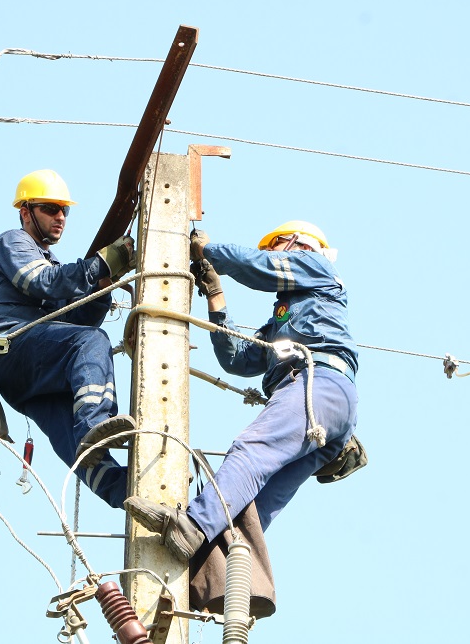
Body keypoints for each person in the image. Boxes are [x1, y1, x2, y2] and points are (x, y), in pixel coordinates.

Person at [125, 221, 360, 559]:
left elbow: (256, 265)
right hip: (328, 402)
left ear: (298, 244)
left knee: (251, 450)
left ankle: (192, 526)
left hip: (318, 384)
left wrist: (207, 251)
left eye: (273, 247)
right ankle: (212, 575)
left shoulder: (318, 266)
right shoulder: (286, 318)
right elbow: (237, 359)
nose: (268, 254)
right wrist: (216, 297)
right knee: (257, 503)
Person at [0, 169, 137, 508]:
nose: (60, 217)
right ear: (25, 212)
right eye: (50, 208)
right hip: (10, 346)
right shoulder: (12, 243)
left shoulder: (53, 262)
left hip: (31, 374)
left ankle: (126, 494)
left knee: (69, 434)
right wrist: (99, 266)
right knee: (92, 342)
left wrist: (100, 291)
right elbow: (42, 282)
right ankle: (96, 423)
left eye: (64, 210)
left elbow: (71, 321)